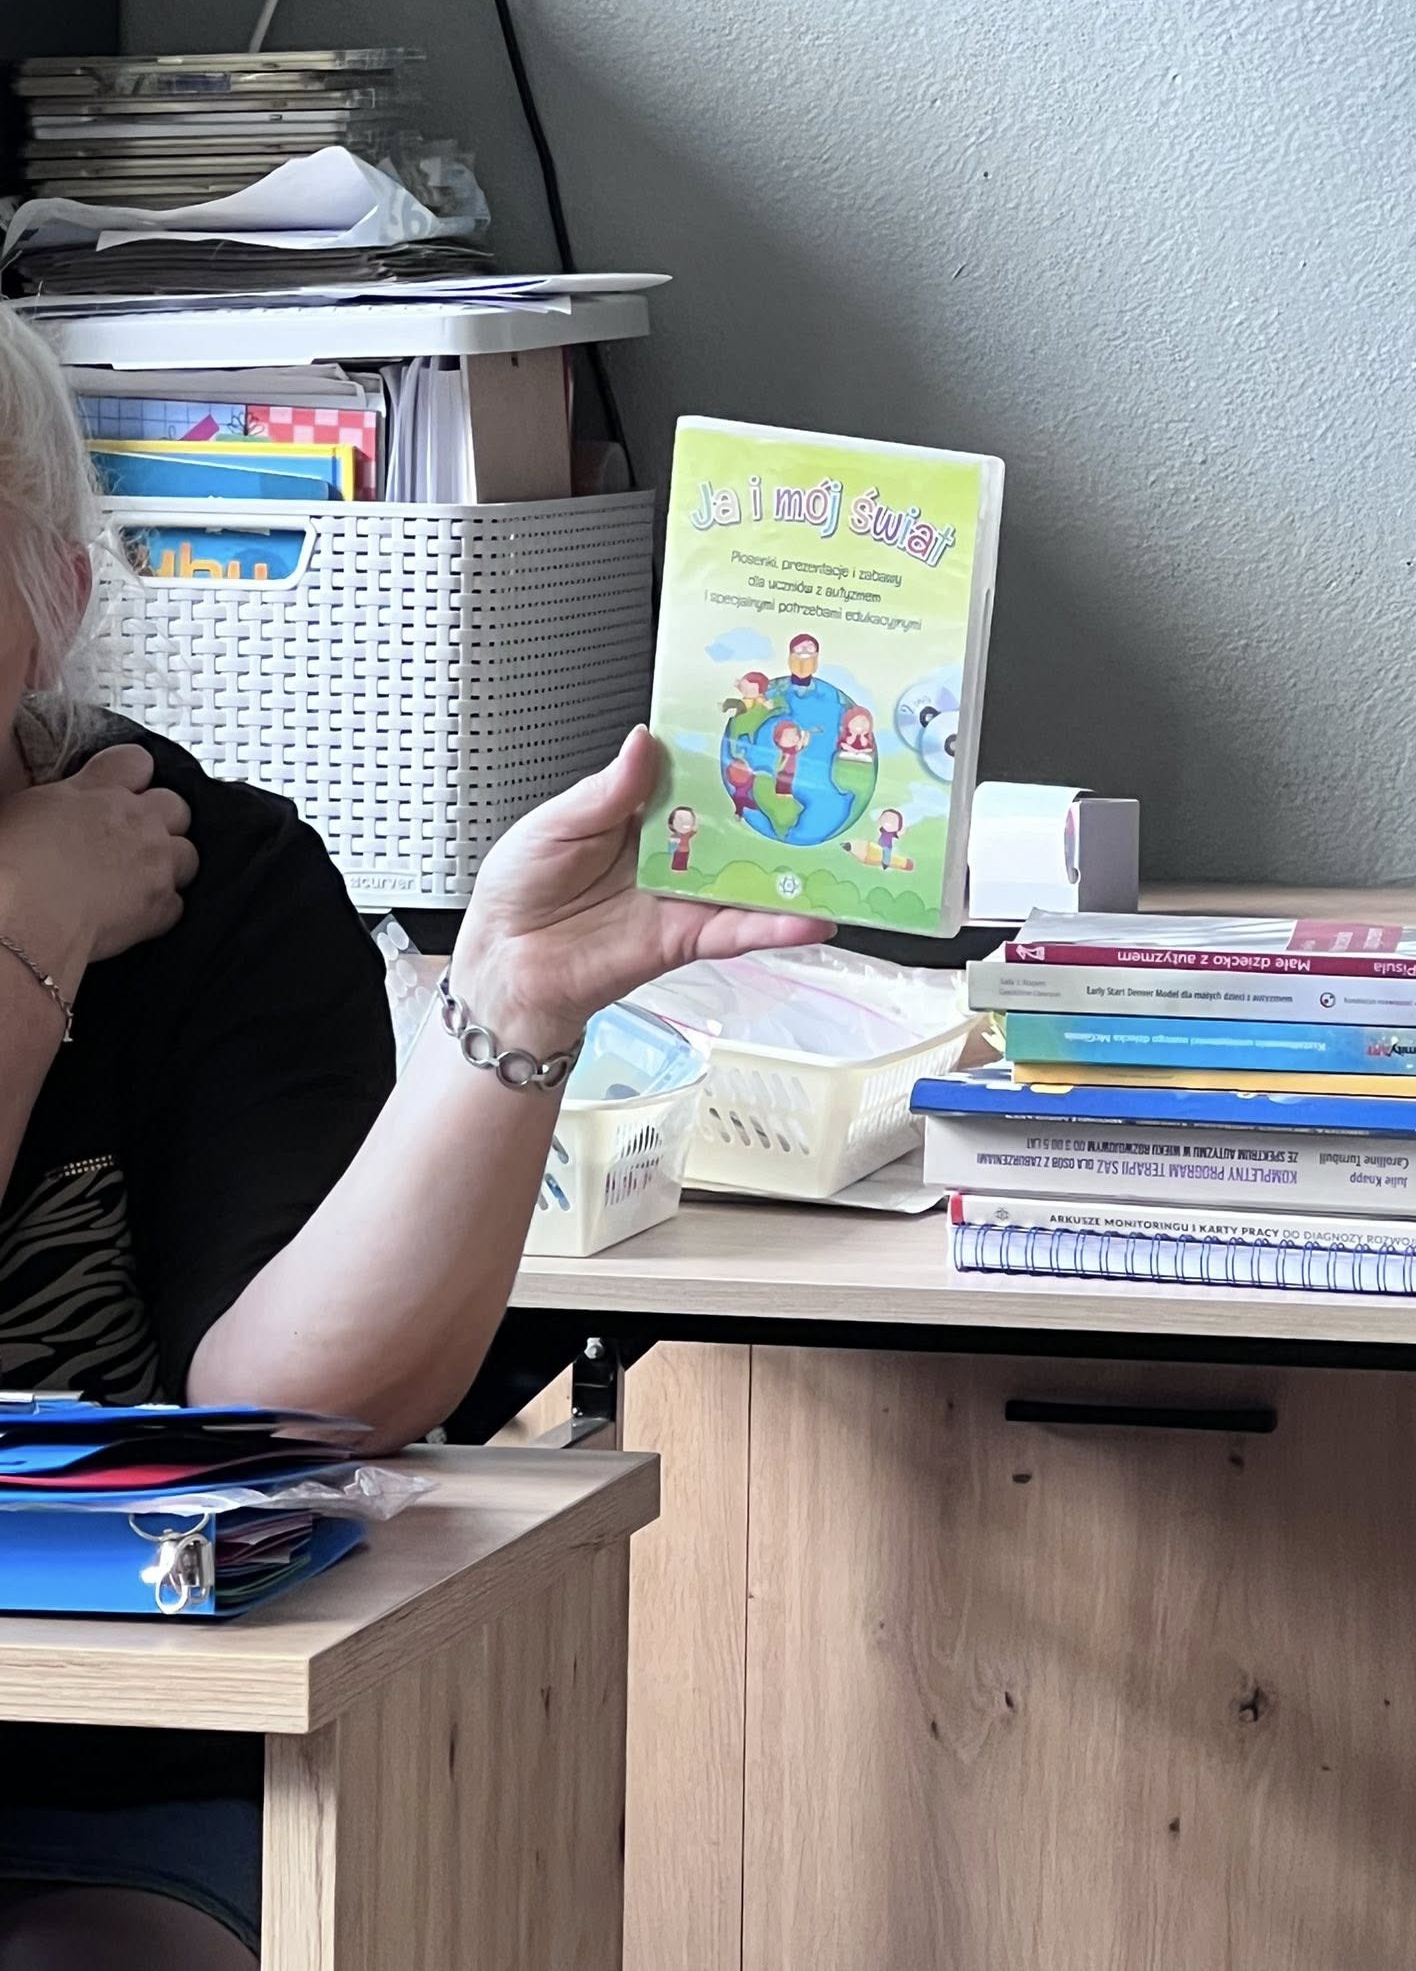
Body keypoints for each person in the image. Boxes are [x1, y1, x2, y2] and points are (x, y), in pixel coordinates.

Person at [0, 308, 832, 1968]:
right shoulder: (60, 892)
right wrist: (25, 933)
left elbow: (287, 1412)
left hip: (113, 1774)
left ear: (51, 603)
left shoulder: (214, 880)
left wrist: (509, 1009)